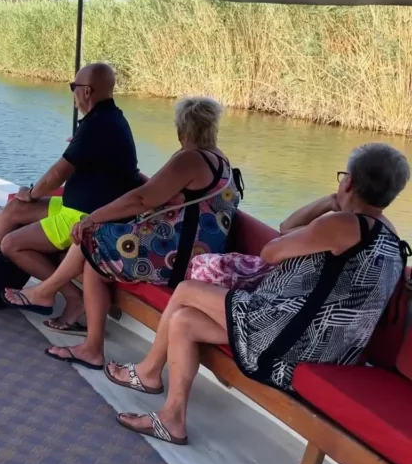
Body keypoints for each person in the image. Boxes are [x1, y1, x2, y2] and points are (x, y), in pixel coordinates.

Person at [112, 143, 409, 446]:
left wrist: (333, 206)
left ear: (349, 181)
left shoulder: (343, 224)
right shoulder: (393, 241)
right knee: (184, 321)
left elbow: (271, 251)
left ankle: (148, 373)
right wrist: (333, 200)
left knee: (187, 290)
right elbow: (287, 228)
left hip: (285, 343)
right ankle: (172, 419)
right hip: (325, 350)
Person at [24, 97, 240, 367]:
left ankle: (54, 302)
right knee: (96, 253)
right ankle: (77, 328)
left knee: (92, 241)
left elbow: (142, 200)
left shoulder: (189, 159)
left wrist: (93, 217)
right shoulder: (220, 160)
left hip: (178, 260)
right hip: (196, 256)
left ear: (181, 129)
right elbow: (158, 189)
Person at [0, 63, 142, 317]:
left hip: (83, 216)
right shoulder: (111, 119)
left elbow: (57, 174)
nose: (73, 93)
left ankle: (72, 297)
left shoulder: (96, 125)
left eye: (73, 87)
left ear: (86, 91)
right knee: (15, 209)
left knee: (13, 244)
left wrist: (32, 193)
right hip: (75, 205)